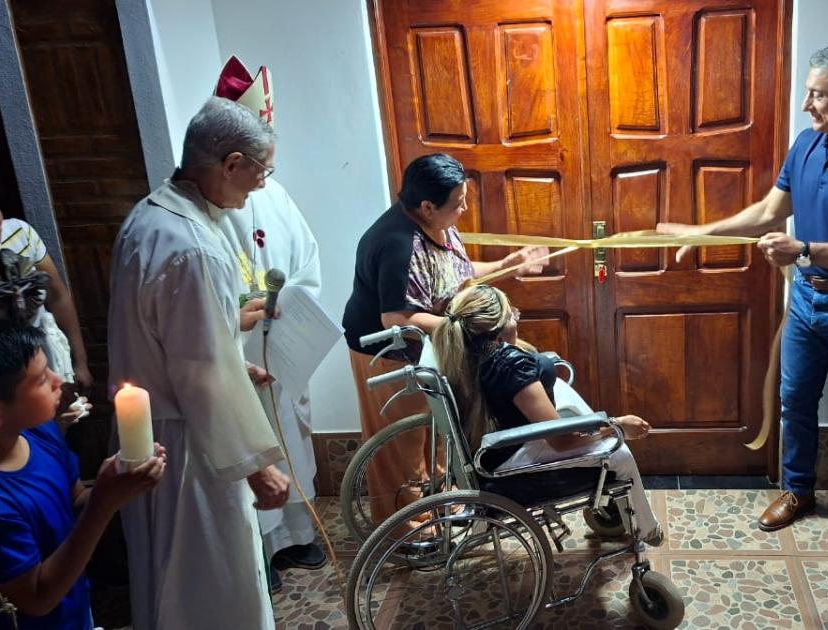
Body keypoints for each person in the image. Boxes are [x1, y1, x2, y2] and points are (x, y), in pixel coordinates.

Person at [658, 43, 828, 555]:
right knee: (793, 399)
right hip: (806, 300)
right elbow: (767, 210)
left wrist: (803, 248)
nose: (806, 104)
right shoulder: (807, 143)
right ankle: (798, 490)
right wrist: (702, 230)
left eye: (817, 95)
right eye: (808, 92)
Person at [108, 97, 291, 629]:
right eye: (261, 171)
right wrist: (259, 468)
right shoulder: (194, 245)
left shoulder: (151, 215)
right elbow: (201, 374)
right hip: (193, 447)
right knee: (209, 590)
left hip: (151, 429)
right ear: (232, 163)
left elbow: (177, 338)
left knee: (167, 577)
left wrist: (235, 360)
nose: (260, 185)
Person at [342, 153, 547, 523]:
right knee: (403, 448)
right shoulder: (397, 243)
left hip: (429, 346)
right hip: (388, 352)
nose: (465, 209)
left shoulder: (439, 224)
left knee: (439, 428)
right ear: (426, 206)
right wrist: (469, 330)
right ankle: (408, 527)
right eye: (459, 203)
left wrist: (506, 265)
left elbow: (457, 276)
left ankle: (438, 504)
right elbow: (397, 316)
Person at [211, 55, 326, 591]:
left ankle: (298, 535)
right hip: (236, 343)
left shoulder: (274, 193)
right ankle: (261, 553)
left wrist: (288, 304)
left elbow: (306, 260)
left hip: (280, 338)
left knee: (291, 442)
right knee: (251, 444)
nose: (261, 176)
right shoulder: (205, 209)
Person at [0, 320, 165, 629]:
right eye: (41, 379)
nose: (58, 380)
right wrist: (104, 501)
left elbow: (75, 501)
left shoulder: (40, 433)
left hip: (75, 609)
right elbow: (37, 599)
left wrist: (122, 481)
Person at [433, 284, 662, 543]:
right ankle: (648, 531)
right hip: (511, 455)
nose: (516, 317)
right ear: (496, 332)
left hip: (496, 445)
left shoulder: (466, 350)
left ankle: (614, 507)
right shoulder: (509, 365)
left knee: (575, 412)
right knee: (619, 453)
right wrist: (617, 426)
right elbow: (561, 441)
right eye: (511, 315)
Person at [0, 183, 93, 414]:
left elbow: (57, 296)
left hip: (44, 350)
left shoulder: (19, 234)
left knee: (65, 418)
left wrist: (80, 360)